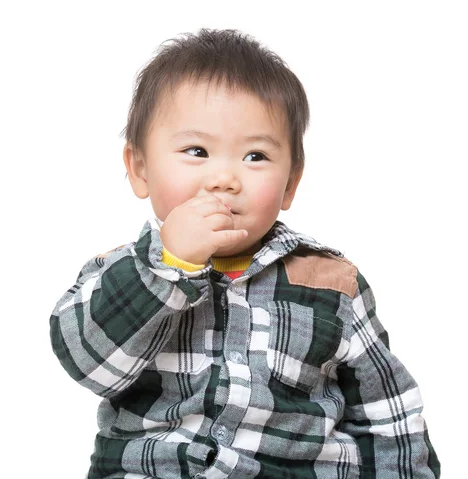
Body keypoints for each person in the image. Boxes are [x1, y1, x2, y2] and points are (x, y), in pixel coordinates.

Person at [49, 28, 440, 478]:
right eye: (197, 151)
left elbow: (386, 415)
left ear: (290, 183)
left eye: (255, 156)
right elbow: (90, 367)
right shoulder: (118, 272)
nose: (225, 179)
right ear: (140, 169)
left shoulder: (331, 283)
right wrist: (170, 267)